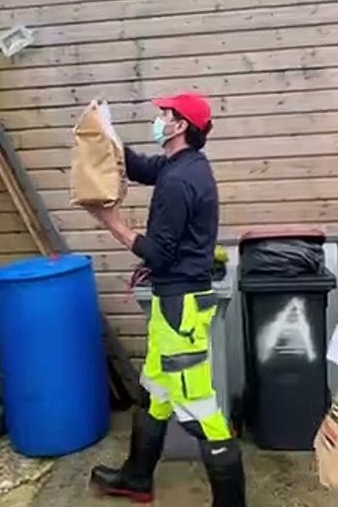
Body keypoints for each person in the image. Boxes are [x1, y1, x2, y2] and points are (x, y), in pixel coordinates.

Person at [83, 92, 245, 507]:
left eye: (164, 115)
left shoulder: (180, 181)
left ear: (179, 127)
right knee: (155, 390)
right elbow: (139, 167)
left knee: (200, 408)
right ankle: (137, 479)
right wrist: (107, 134)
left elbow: (158, 252)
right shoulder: (181, 166)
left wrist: (111, 222)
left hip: (181, 308)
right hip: (172, 303)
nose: (158, 120)